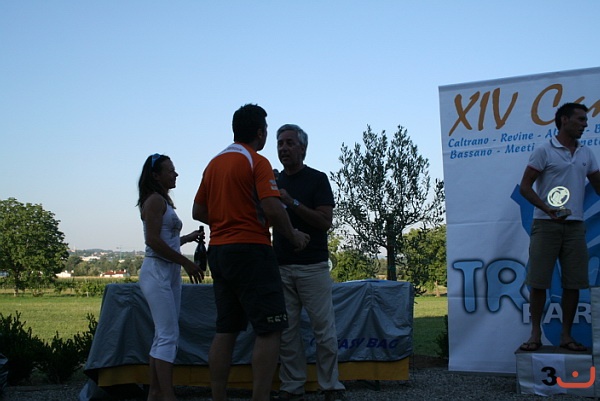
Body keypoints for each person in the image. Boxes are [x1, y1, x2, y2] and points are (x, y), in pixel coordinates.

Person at [192, 104, 310, 401]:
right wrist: (293, 235)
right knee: (269, 329)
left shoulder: (214, 163)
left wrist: (227, 218)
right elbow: (272, 207)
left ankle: (218, 397)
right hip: (251, 251)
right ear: (260, 133)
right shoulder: (256, 161)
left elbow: (198, 210)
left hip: (219, 251)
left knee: (226, 329)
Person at [519, 103, 600, 352]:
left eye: (585, 120)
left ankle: (566, 336)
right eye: (580, 119)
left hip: (575, 226)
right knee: (539, 281)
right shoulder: (544, 150)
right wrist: (546, 209)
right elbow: (525, 187)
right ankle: (535, 335)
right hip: (545, 225)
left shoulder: (586, 153)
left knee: (573, 283)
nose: (585, 124)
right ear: (564, 120)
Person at [272, 124, 345, 401]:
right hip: (281, 265)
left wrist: (291, 201)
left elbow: (325, 222)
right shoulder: (273, 181)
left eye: (289, 143)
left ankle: (330, 386)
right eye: (280, 143)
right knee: (287, 332)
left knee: (323, 330)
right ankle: (292, 386)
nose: (284, 148)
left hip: (312, 266)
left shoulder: (317, 179)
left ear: (302, 148)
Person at [137, 153, 204, 401]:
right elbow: (153, 241)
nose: (176, 174)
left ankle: (155, 392)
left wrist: (187, 239)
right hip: (157, 272)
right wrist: (186, 262)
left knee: (163, 334)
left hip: (168, 272)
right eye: (171, 170)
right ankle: (168, 395)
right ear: (156, 176)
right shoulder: (155, 201)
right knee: (167, 335)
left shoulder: (162, 201)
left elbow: (166, 239)